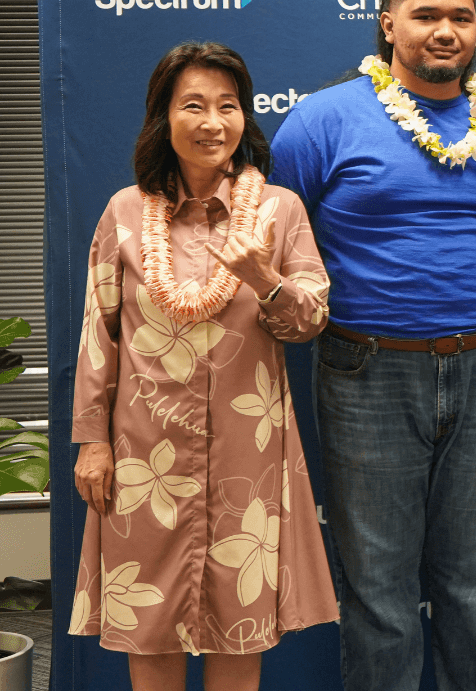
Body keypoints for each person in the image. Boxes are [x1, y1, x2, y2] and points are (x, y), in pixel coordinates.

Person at [269, 0, 476, 691]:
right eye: (426, 16)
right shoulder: (320, 122)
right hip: (368, 372)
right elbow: (283, 240)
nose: (445, 31)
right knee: (379, 586)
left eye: (461, 16)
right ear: (388, 22)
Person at [69, 42, 337, 691]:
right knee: (148, 628)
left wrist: (264, 279)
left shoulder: (277, 211)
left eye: (228, 106)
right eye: (194, 105)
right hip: (144, 459)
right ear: (163, 117)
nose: (213, 122)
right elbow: (99, 334)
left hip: (249, 453)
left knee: (240, 627)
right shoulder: (124, 213)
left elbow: (310, 322)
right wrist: (93, 442)